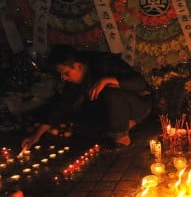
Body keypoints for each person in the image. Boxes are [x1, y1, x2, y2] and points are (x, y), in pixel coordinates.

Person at [21, 45, 152, 150]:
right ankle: (125, 125)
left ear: (77, 65)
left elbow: (140, 83)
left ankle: (122, 137)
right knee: (82, 125)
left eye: (66, 73)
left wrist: (107, 80)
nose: (64, 78)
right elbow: (61, 106)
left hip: (137, 105)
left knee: (110, 91)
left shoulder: (106, 62)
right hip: (112, 112)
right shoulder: (75, 81)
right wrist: (36, 135)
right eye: (62, 75)